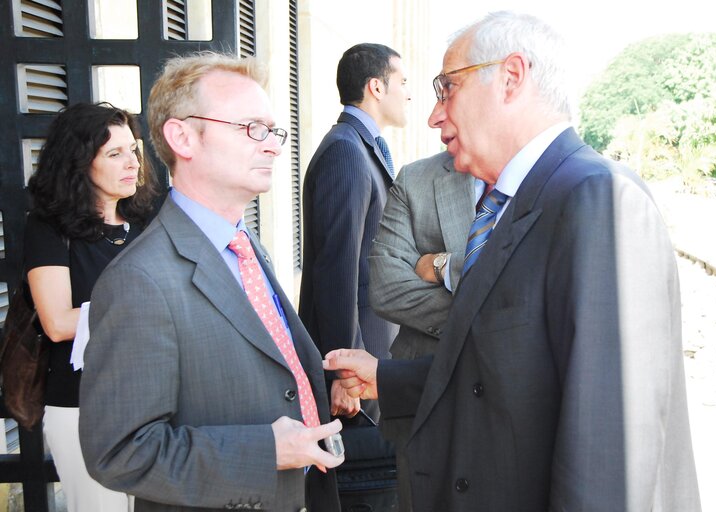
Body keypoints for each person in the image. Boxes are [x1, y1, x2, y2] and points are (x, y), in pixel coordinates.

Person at [325, 11, 701, 511]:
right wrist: (384, 377)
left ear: (511, 78)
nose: (434, 114)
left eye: (446, 88)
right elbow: (503, 371)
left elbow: (609, 448)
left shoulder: (598, 198)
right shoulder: (520, 201)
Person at [78, 52, 343, 512]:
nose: (273, 146)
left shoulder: (245, 245)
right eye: (250, 128)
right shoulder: (139, 280)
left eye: (272, 131)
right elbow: (118, 452)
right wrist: (266, 451)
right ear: (182, 137)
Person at [24, 101, 158, 512]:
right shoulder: (49, 229)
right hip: (85, 406)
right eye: (114, 154)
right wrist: (144, 308)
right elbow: (58, 322)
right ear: (80, 163)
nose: (132, 163)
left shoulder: (150, 222)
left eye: (132, 150)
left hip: (156, 402)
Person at [299, 43, 409, 419]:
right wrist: (345, 370)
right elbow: (336, 268)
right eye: (402, 82)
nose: (408, 93)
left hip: (370, 350)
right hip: (356, 361)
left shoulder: (362, 146)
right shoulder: (346, 151)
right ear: (376, 87)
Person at [367, 150, 475, 511]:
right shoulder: (416, 180)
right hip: (423, 411)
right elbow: (386, 289)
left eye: (450, 91)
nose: (436, 114)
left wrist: (445, 265)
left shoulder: (548, 184)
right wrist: (498, 315)